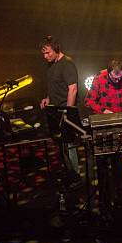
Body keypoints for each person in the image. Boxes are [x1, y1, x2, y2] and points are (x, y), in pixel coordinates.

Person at [85, 60, 122, 206]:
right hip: (108, 122)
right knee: (112, 157)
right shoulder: (100, 78)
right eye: (114, 78)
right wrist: (104, 111)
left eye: (119, 78)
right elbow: (89, 101)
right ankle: (114, 190)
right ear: (109, 72)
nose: (117, 80)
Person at [39, 36, 82, 188]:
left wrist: (68, 112)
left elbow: (73, 89)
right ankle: (69, 172)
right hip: (55, 110)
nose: (45, 57)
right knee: (61, 144)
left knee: (69, 144)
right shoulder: (51, 66)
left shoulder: (67, 64)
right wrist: (48, 98)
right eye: (43, 54)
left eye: (48, 53)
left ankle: (76, 176)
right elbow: (54, 85)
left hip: (65, 111)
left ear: (56, 50)